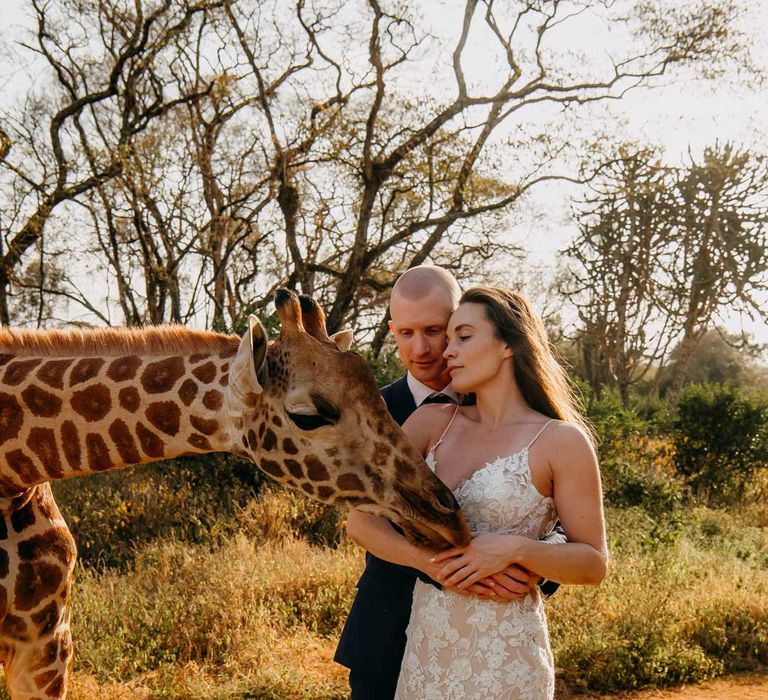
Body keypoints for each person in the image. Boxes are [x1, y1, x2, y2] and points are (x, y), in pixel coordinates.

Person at [334, 267, 560, 699]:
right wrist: (439, 568)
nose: (420, 348)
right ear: (392, 331)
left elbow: (565, 513)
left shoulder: (517, 407)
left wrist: (536, 557)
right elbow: (361, 521)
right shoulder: (370, 413)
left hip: (492, 636)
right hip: (386, 633)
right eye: (406, 332)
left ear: (459, 323)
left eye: (435, 330)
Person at [393, 287, 608, 698]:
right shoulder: (429, 423)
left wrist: (515, 550)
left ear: (509, 344)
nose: (446, 351)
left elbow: (593, 564)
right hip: (426, 655)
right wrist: (435, 566)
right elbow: (362, 521)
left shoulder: (561, 441)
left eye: (464, 337)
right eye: (449, 338)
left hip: (507, 664)